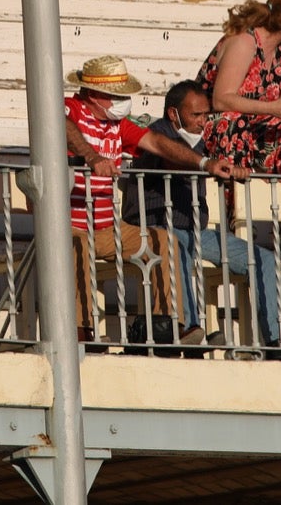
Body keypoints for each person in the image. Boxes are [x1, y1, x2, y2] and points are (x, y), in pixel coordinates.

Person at [118, 81, 281, 355]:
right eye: (196, 115)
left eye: (206, 115)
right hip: (156, 229)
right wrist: (209, 165)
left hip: (197, 232)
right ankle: (190, 330)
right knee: (175, 248)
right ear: (173, 114)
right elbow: (172, 159)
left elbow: (214, 164)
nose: (202, 122)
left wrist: (233, 170)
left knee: (262, 258)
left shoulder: (199, 141)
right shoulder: (155, 135)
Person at [63, 55, 231, 346]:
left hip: (106, 228)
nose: (122, 101)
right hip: (70, 227)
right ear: (92, 94)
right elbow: (59, 124)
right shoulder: (70, 108)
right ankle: (81, 335)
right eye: (116, 95)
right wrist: (91, 157)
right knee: (75, 247)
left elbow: (157, 143)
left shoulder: (117, 123)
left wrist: (205, 163)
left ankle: (167, 326)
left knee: (164, 241)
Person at [197, 0, 281, 175]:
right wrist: (272, 108)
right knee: (235, 121)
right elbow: (221, 100)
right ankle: (233, 193)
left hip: (257, 121)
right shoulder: (244, 42)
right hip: (218, 122)